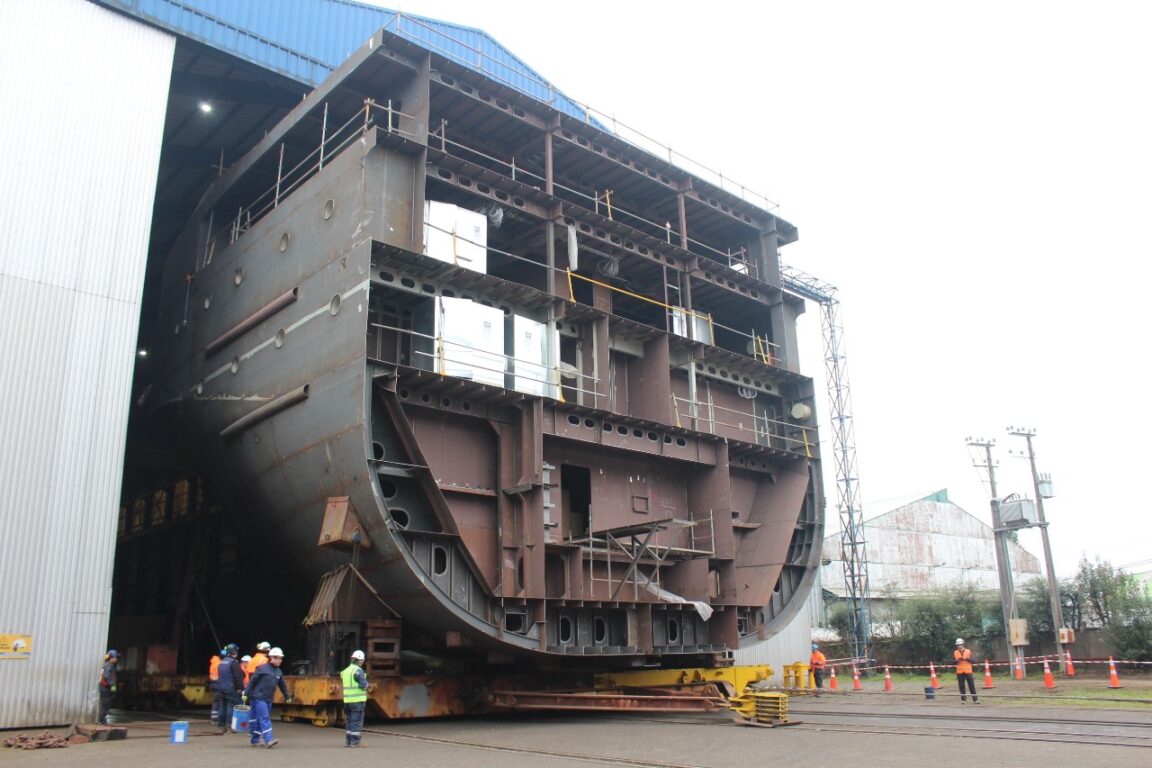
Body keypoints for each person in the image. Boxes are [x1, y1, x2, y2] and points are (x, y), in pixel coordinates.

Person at [243, 646, 291, 748]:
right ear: (272, 658)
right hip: (259, 698)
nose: (280, 660)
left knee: (260, 719)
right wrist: (246, 694)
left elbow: (282, 685)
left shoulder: (278, 672)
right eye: (279, 658)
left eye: (281, 658)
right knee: (264, 718)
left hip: (268, 699)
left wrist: (287, 696)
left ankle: (255, 740)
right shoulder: (262, 669)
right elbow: (252, 682)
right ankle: (269, 740)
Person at [341, 650, 369, 747]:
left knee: (349, 721)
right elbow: (364, 685)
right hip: (357, 701)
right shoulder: (358, 671)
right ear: (360, 660)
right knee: (356, 721)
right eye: (362, 661)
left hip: (347, 701)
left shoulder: (345, 671)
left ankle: (348, 741)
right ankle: (355, 742)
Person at [244, 643, 271, 741]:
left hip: (251, 688)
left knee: (253, 711)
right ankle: (263, 733)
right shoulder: (265, 660)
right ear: (267, 650)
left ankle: (251, 731)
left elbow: (249, 674)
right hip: (261, 689)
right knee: (262, 713)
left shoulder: (251, 660)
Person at [216, 643, 244, 734]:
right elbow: (237, 677)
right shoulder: (234, 663)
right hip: (231, 688)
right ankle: (229, 727)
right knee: (231, 706)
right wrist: (239, 688)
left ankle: (221, 727)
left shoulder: (221, 662)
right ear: (234, 652)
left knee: (222, 706)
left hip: (221, 688)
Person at [97, 649, 119, 725]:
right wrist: (112, 685)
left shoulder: (108, 665)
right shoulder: (108, 665)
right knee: (106, 704)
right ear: (111, 658)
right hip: (105, 688)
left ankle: (102, 720)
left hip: (105, 687)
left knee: (106, 703)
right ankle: (102, 720)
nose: (116, 659)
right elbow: (107, 676)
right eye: (116, 657)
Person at [954, 638, 979, 704]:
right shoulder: (955, 652)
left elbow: (974, 661)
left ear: (963, 644)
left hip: (968, 671)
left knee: (971, 685)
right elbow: (952, 662)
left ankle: (975, 700)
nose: (959, 646)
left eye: (960, 644)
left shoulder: (968, 651)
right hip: (960, 672)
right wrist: (957, 661)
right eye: (958, 645)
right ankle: (963, 700)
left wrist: (968, 659)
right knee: (961, 686)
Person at [209, 648, 224, 725]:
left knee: (216, 701)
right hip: (218, 684)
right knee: (219, 701)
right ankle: (216, 719)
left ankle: (214, 718)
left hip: (214, 683)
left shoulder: (214, 662)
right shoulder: (219, 664)